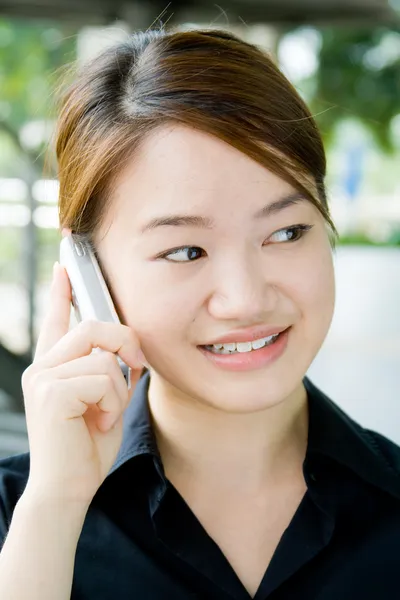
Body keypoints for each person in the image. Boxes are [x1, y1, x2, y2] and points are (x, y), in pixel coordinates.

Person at [0, 26, 399, 600]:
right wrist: (56, 509)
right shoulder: (21, 516)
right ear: (89, 271)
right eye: (186, 250)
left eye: (287, 231)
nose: (246, 300)